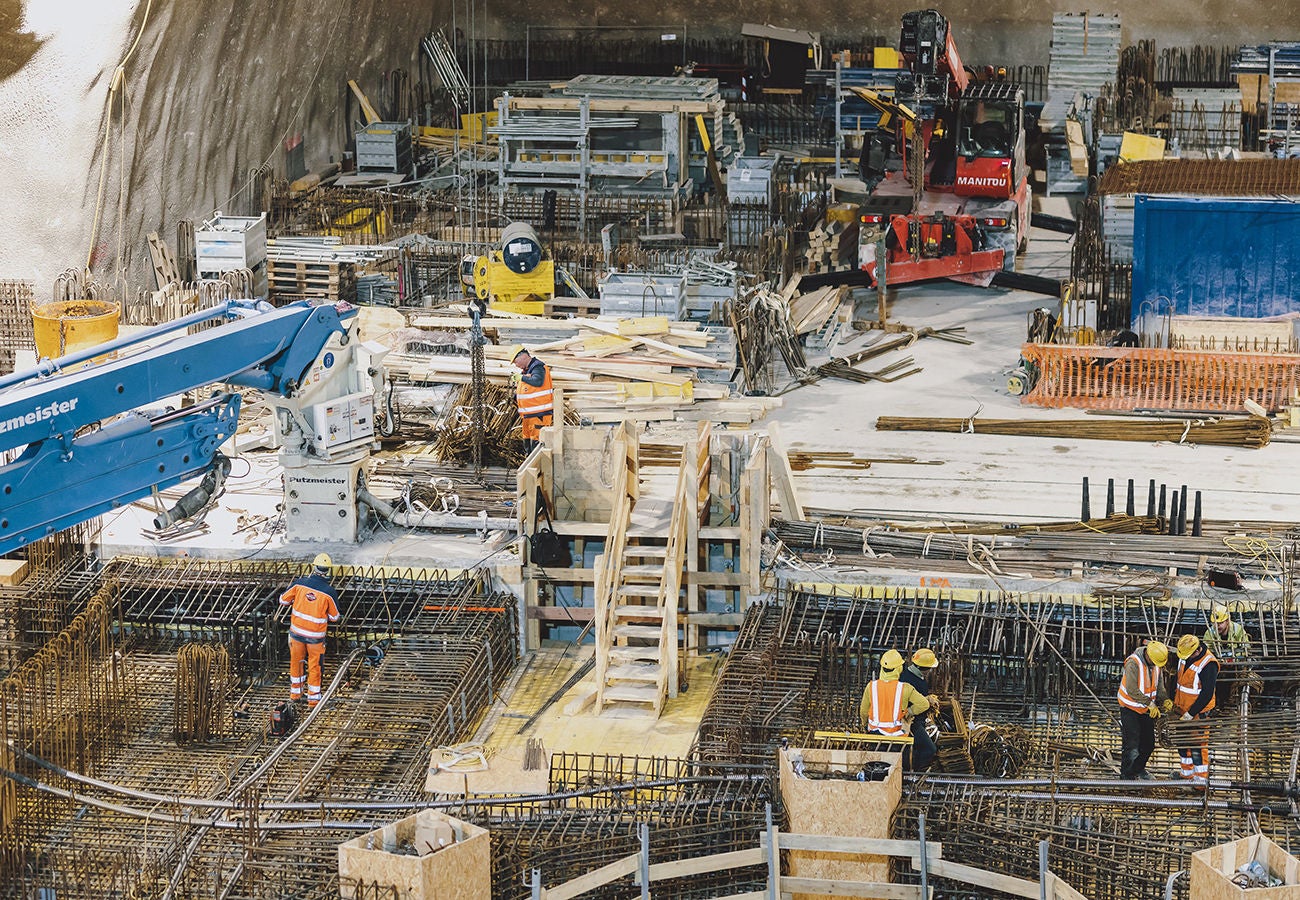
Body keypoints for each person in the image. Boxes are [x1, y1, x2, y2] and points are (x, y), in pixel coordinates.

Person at [279, 553, 341, 708]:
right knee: (315, 667)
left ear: (313, 567)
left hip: (297, 634)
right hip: (315, 638)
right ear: (328, 571)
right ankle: (313, 700)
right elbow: (335, 617)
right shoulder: (329, 592)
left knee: (296, 664)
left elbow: (282, 600)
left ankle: (295, 695)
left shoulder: (299, 584)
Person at [860, 649, 930, 768]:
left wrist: (865, 724)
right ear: (899, 668)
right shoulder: (905, 688)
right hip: (899, 739)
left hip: (876, 737)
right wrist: (909, 712)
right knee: (899, 771)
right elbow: (924, 704)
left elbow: (863, 711)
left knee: (877, 770)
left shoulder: (871, 686)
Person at [1116, 640, 1170, 780]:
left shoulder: (1156, 664)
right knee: (1132, 744)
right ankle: (1127, 776)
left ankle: (1138, 769)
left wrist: (1165, 699)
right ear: (1149, 656)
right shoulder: (1133, 663)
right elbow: (1132, 689)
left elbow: (1159, 687)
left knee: (1148, 744)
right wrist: (1150, 704)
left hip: (1145, 710)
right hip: (1129, 708)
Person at [1173, 634, 1218, 787]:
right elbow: (1179, 681)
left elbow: (1207, 694)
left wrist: (1191, 713)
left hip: (1198, 713)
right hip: (1182, 709)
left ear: (1197, 650)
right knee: (1182, 743)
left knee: (1197, 746)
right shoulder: (1184, 655)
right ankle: (1186, 774)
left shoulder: (1208, 664)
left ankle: (1200, 781)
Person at [900, 647, 940, 770]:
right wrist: (925, 702)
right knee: (929, 749)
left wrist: (927, 697)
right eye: (930, 668)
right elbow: (914, 703)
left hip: (917, 720)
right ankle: (916, 773)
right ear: (924, 668)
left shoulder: (908, 674)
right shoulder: (908, 680)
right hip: (911, 722)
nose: (930, 671)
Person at [1203, 605, 1249, 709]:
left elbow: (1246, 648)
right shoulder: (1209, 633)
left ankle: (1229, 699)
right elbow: (1206, 652)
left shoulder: (1238, 630)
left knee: (1231, 680)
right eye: (1214, 623)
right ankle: (1217, 703)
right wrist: (1216, 660)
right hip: (1218, 666)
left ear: (1227, 621)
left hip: (1234, 665)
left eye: (1220, 623)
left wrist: (1234, 658)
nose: (1217, 626)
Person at [510, 345, 554, 455]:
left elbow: (538, 381)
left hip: (539, 415)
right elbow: (528, 391)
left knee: (537, 443)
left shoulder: (538, 367)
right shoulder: (527, 371)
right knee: (528, 443)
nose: (516, 365)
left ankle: (538, 469)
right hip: (528, 416)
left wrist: (522, 378)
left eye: (515, 362)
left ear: (523, 356)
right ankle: (528, 467)